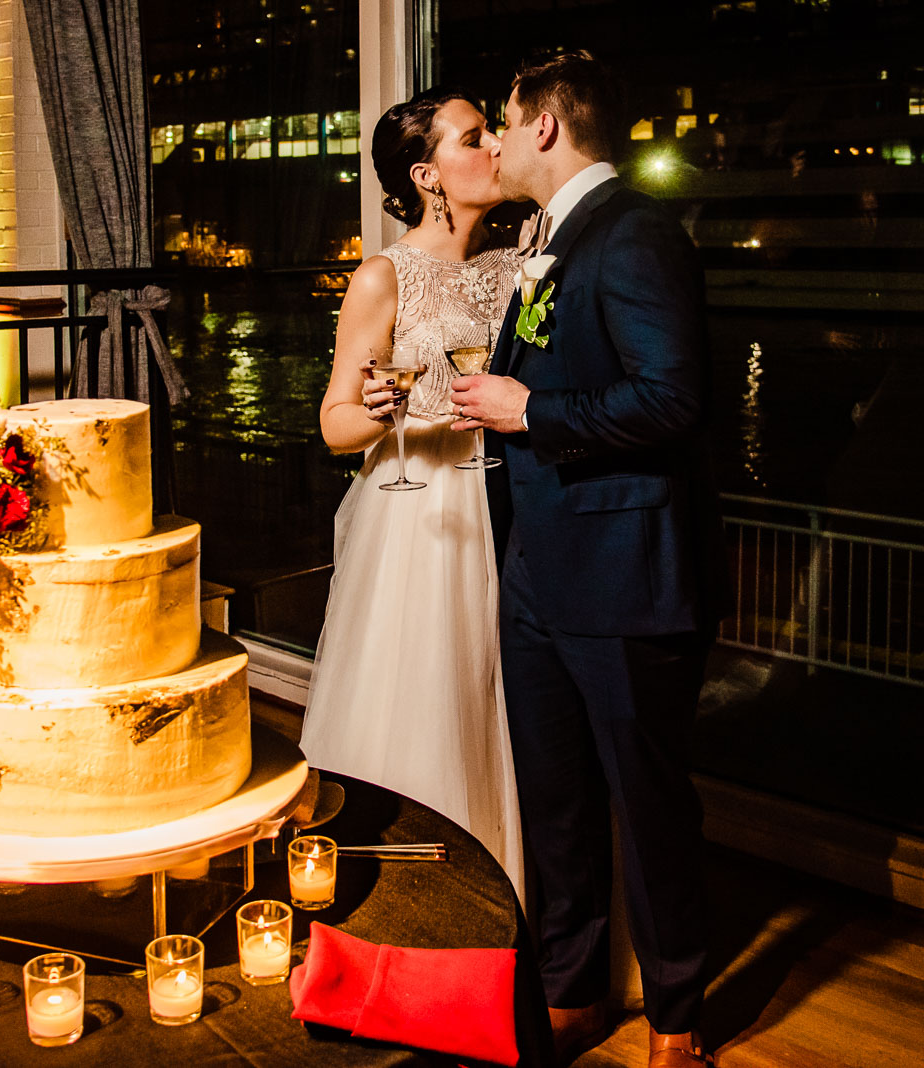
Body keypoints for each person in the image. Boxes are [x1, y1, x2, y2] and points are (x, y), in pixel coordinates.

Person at [450, 51, 721, 1068]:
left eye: (508, 128)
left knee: (648, 808)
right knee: (555, 797)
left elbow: (673, 398)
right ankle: (571, 990)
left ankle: (678, 1015)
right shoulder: (551, 240)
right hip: (539, 571)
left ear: (548, 128)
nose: (501, 145)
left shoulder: (636, 233)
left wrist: (532, 410)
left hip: (624, 576)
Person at [299, 87, 526, 904]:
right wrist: (377, 413)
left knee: (498, 696)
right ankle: (418, 904)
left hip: (509, 500)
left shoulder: (520, 265)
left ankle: (508, 896)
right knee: (426, 690)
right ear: (428, 174)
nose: (495, 146)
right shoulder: (382, 276)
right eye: (474, 138)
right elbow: (333, 422)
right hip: (418, 512)